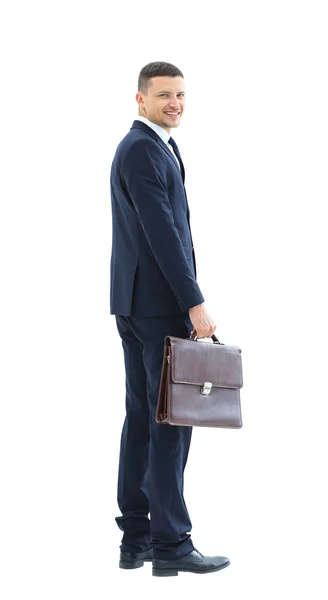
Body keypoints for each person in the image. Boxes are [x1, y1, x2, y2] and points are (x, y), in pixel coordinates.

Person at [109, 61, 229, 577]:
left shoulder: (156, 146)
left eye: (180, 93)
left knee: (143, 418)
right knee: (171, 423)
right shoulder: (141, 149)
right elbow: (163, 235)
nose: (174, 102)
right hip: (158, 307)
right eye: (163, 95)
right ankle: (171, 543)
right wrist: (193, 301)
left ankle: (136, 539)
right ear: (141, 100)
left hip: (135, 304)